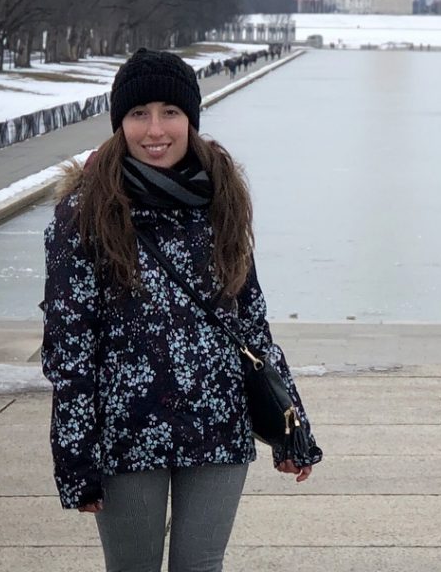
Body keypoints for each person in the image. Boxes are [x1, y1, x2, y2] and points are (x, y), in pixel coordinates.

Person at [41, 48, 321, 572]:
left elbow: (249, 321)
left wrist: (292, 424)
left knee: (202, 565)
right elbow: (70, 343)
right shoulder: (85, 211)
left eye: (170, 112)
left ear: (190, 118)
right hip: (128, 428)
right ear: (119, 123)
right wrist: (75, 451)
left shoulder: (222, 197)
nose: (155, 130)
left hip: (218, 419)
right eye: (138, 113)